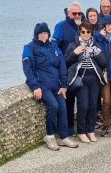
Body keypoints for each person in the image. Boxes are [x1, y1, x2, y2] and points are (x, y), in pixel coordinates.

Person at [22, 22, 78, 150]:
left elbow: (62, 65)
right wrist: (35, 87)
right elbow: (28, 69)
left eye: (45, 33)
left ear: (48, 34)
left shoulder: (53, 46)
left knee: (62, 106)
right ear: (36, 35)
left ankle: (64, 137)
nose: (43, 35)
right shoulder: (29, 48)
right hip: (43, 86)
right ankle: (50, 136)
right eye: (41, 33)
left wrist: (64, 85)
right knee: (53, 105)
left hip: (56, 85)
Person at [65, 22, 108, 143]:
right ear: (79, 32)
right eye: (83, 32)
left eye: (88, 32)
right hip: (80, 78)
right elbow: (66, 63)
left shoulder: (96, 45)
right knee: (83, 105)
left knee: (93, 105)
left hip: (94, 78)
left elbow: (104, 63)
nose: (85, 34)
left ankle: (90, 131)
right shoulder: (73, 45)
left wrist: (96, 53)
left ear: (91, 33)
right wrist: (75, 53)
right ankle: (81, 132)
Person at [53, 1, 84, 137]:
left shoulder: (83, 25)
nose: (77, 16)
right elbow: (54, 46)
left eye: (79, 13)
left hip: (83, 68)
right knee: (69, 101)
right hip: (67, 68)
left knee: (84, 101)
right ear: (68, 13)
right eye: (74, 13)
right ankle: (69, 129)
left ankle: (84, 129)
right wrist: (60, 63)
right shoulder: (61, 26)